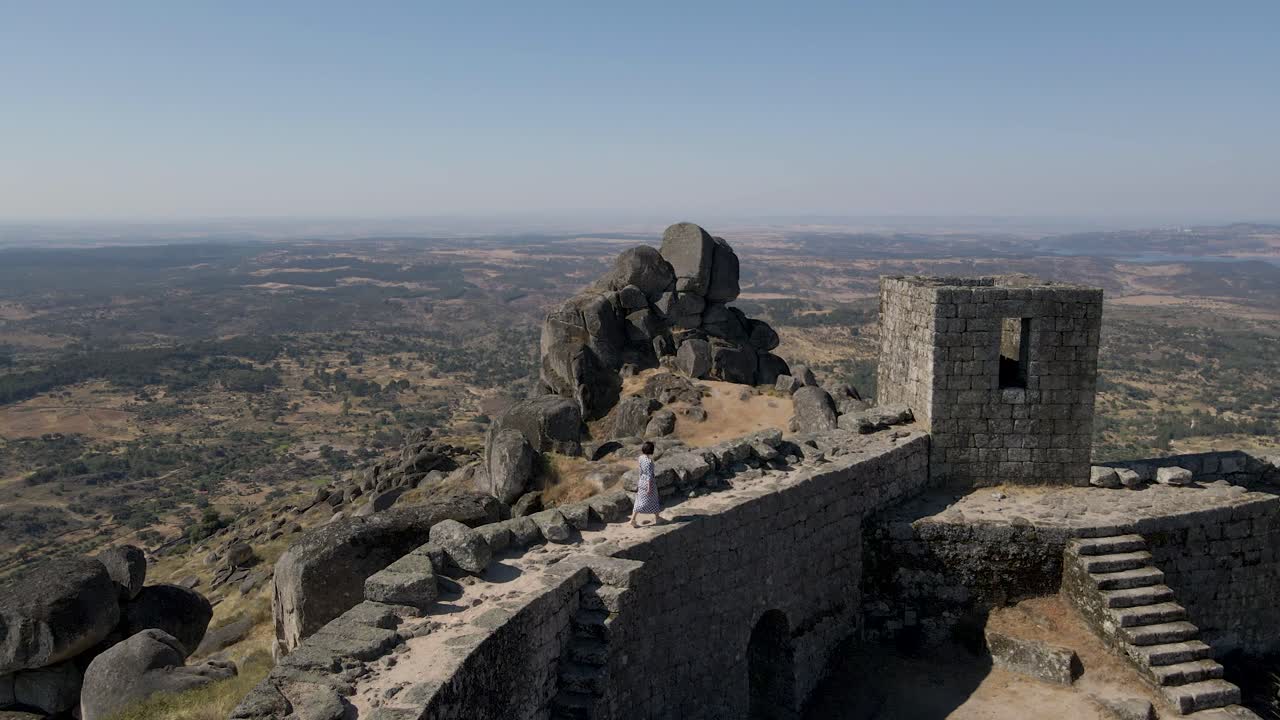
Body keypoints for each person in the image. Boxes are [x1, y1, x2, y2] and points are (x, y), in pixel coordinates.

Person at [630, 441, 664, 528]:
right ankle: (657, 518)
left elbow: (640, 471)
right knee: (654, 500)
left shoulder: (640, 458)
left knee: (639, 501)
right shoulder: (649, 462)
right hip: (649, 483)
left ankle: (633, 519)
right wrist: (649, 488)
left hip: (641, 481)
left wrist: (640, 481)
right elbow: (649, 476)